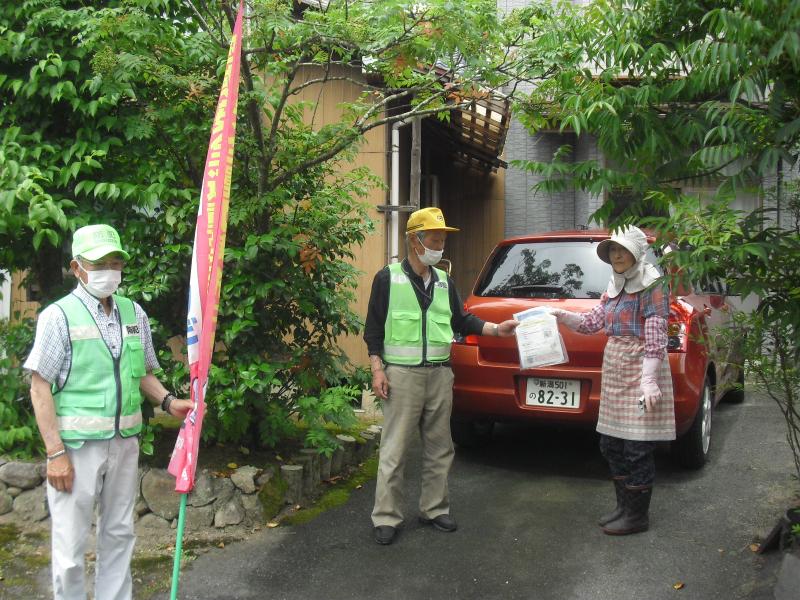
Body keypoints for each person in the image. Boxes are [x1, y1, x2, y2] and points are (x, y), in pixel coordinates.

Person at [24, 224, 193, 600]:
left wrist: (168, 401)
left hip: (124, 445)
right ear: (76, 266)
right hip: (76, 449)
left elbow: (142, 374)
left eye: (115, 261)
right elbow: (40, 387)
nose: (109, 269)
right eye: (100, 262)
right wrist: (55, 454)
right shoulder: (59, 316)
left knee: (120, 533)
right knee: (69, 547)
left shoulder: (135, 313)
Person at [364, 207, 518, 545]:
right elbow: (373, 329)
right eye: (434, 239)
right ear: (415, 241)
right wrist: (378, 369)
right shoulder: (388, 278)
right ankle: (386, 516)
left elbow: (462, 321)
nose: (440, 245)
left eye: (442, 240)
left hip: (439, 375)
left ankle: (434, 508)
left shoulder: (445, 282)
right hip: (401, 376)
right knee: (395, 448)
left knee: (440, 447)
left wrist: (495, 328)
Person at [551, 225, 674, 535]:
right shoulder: (615, 284)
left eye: (622, 250)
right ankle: (623, 507)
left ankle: (637, 516)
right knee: (611, 444)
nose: (617, 255)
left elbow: (656, 334)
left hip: (641, 367)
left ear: (636, 252)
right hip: (616, 368)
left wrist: (649, 379)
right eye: (612, 251)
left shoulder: (653, 285)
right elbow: (594, 322)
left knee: (637, 447)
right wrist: (561, 316)